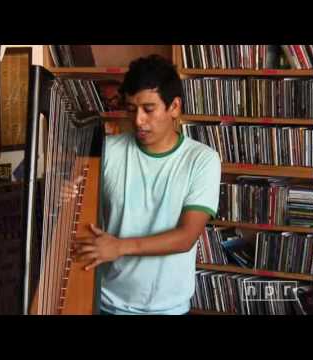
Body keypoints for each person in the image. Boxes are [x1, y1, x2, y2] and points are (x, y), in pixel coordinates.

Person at [71, 54, 222, 315]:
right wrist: (67, 194)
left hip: (169, 308)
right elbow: (77, 208)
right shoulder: (107, 151)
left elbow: (186, 237)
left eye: (148, 109)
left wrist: (119, 247)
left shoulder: (202, 160)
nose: (139, 120)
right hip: (108, 303)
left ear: (174, 107)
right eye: (131, 109)